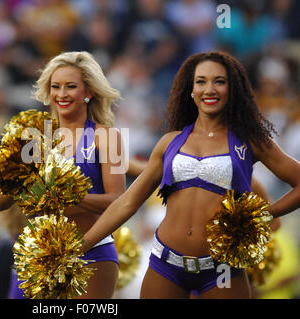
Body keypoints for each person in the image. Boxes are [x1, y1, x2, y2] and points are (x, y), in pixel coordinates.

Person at [80, 51, 300, 299]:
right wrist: (83, 245)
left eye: (219, 81)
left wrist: (261, 215)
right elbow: (128, 202)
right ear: (191, 89)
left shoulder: (251, 140)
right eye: (201, 81)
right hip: (166, 265)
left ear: (233, 89)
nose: (210, 89)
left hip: (222, 270)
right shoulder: (169, 142)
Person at [0, 51, 126, 298]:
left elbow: (118, 202)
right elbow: (1, 203)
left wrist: (66, 195)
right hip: (42, 255)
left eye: (71, 86)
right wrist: (19, 169)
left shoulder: (107, 137)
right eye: (55, 86)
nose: (62, 94)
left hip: (93, 253)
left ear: (88, 92)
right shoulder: (35, 136)